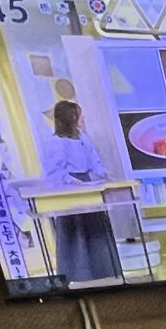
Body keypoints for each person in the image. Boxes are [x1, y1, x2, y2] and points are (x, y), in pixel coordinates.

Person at [38, 97, 121, 287]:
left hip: (88, 184)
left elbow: (95, 160)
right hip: (69, 189)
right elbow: (54, 171)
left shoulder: (83, 138)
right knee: (75, 230)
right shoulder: (56, 142)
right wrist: (72, 181)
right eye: (79, 116)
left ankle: (104, 270)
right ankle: (77, 274)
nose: (83, 119)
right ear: (70, 118)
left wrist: (103, 175)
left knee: (96, 227)